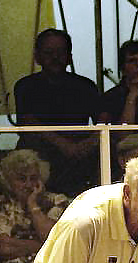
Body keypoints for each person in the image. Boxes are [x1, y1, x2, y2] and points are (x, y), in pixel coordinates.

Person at [14, 29, 99, 197]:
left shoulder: (86, 86)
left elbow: (102, 123)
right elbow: (28, 122)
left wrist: (86, 145)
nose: (55, 57)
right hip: (41, 149)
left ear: (69, 57)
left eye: (61, 52)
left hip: (79, 150)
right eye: (48, 52)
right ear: (37, 57)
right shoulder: (25, 86)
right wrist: (64, 145)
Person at [98, 41, 138, 125]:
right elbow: (108, 131)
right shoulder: (110, 98)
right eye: (132, 61)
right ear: (123, 68)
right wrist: (131, 98)